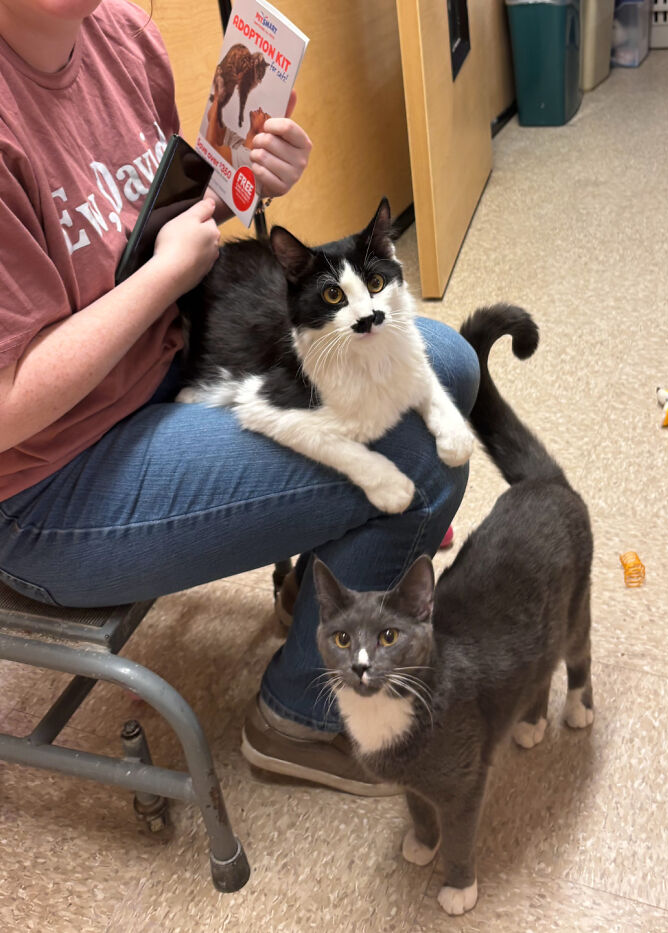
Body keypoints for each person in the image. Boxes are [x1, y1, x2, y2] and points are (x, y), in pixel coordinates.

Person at [0, 0, 479, 795]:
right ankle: (300, 716)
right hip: (50, 482)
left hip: (166, 361)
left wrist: (244, 181)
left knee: (441, 362)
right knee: (420, 445)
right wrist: (166, 274)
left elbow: (154, 222)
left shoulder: (118, 30)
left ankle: (325, 582)